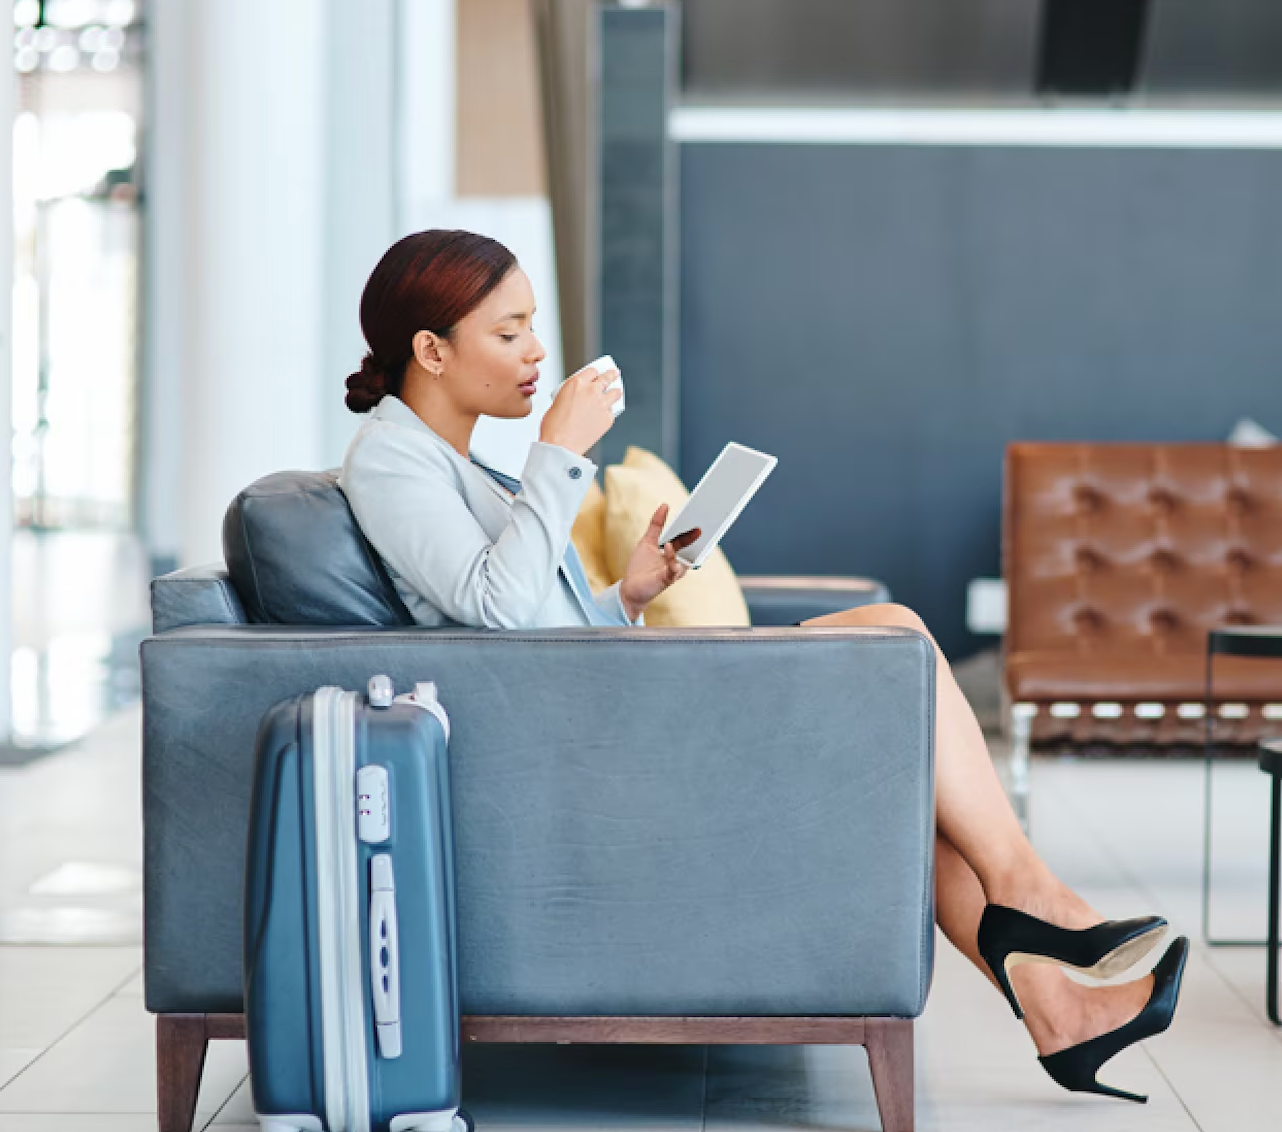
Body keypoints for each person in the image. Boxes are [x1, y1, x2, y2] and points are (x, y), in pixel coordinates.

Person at [339, 229, 1187, 1104]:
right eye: (509, 332)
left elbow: (523, 622)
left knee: (902, 746)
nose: (538, 352)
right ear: (432, 351)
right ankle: (1029, 894)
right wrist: (558, 455)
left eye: (532, 327)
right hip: (588, 747)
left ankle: (1061, 1013)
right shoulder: (392, 465)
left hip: (599, 707)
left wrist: (624, 595)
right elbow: (496, 613)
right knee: (891, 633)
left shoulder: (452, 462)